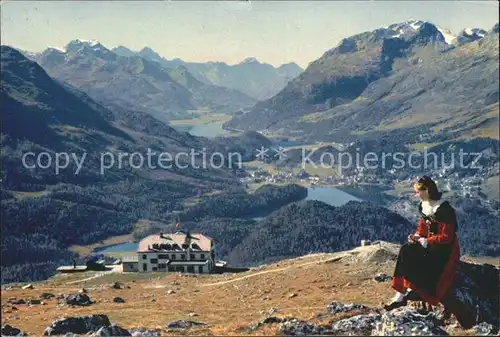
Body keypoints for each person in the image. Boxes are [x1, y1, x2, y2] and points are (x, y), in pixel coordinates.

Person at [384, 175, 461, 311]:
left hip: (444, 249)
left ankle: (416, 291)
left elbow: (447, 237)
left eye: (418, 191)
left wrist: (427, 240)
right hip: (430, 243)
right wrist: (417, 236)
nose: (417, 194)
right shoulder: (425, 206)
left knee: (421, 259)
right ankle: (401, 293)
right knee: (406, 249)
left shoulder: (444, 210)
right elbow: (423, 226)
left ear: (427, 191)